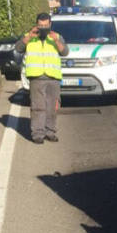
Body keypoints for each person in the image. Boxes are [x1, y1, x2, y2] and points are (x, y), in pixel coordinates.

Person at [13, 12, 68, 144]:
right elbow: (18, 48)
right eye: (40, 25)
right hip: (36, 77)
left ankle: (50, 131)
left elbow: (65, 52)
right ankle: (38, 134)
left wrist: (55, 40)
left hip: (53, 77)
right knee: (38, 107)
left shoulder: (57, 37)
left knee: (52, 107)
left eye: (45, 25)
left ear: (50, 24)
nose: (43, 28)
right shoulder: (29, 36)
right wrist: (29, 37)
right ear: (36, 25)